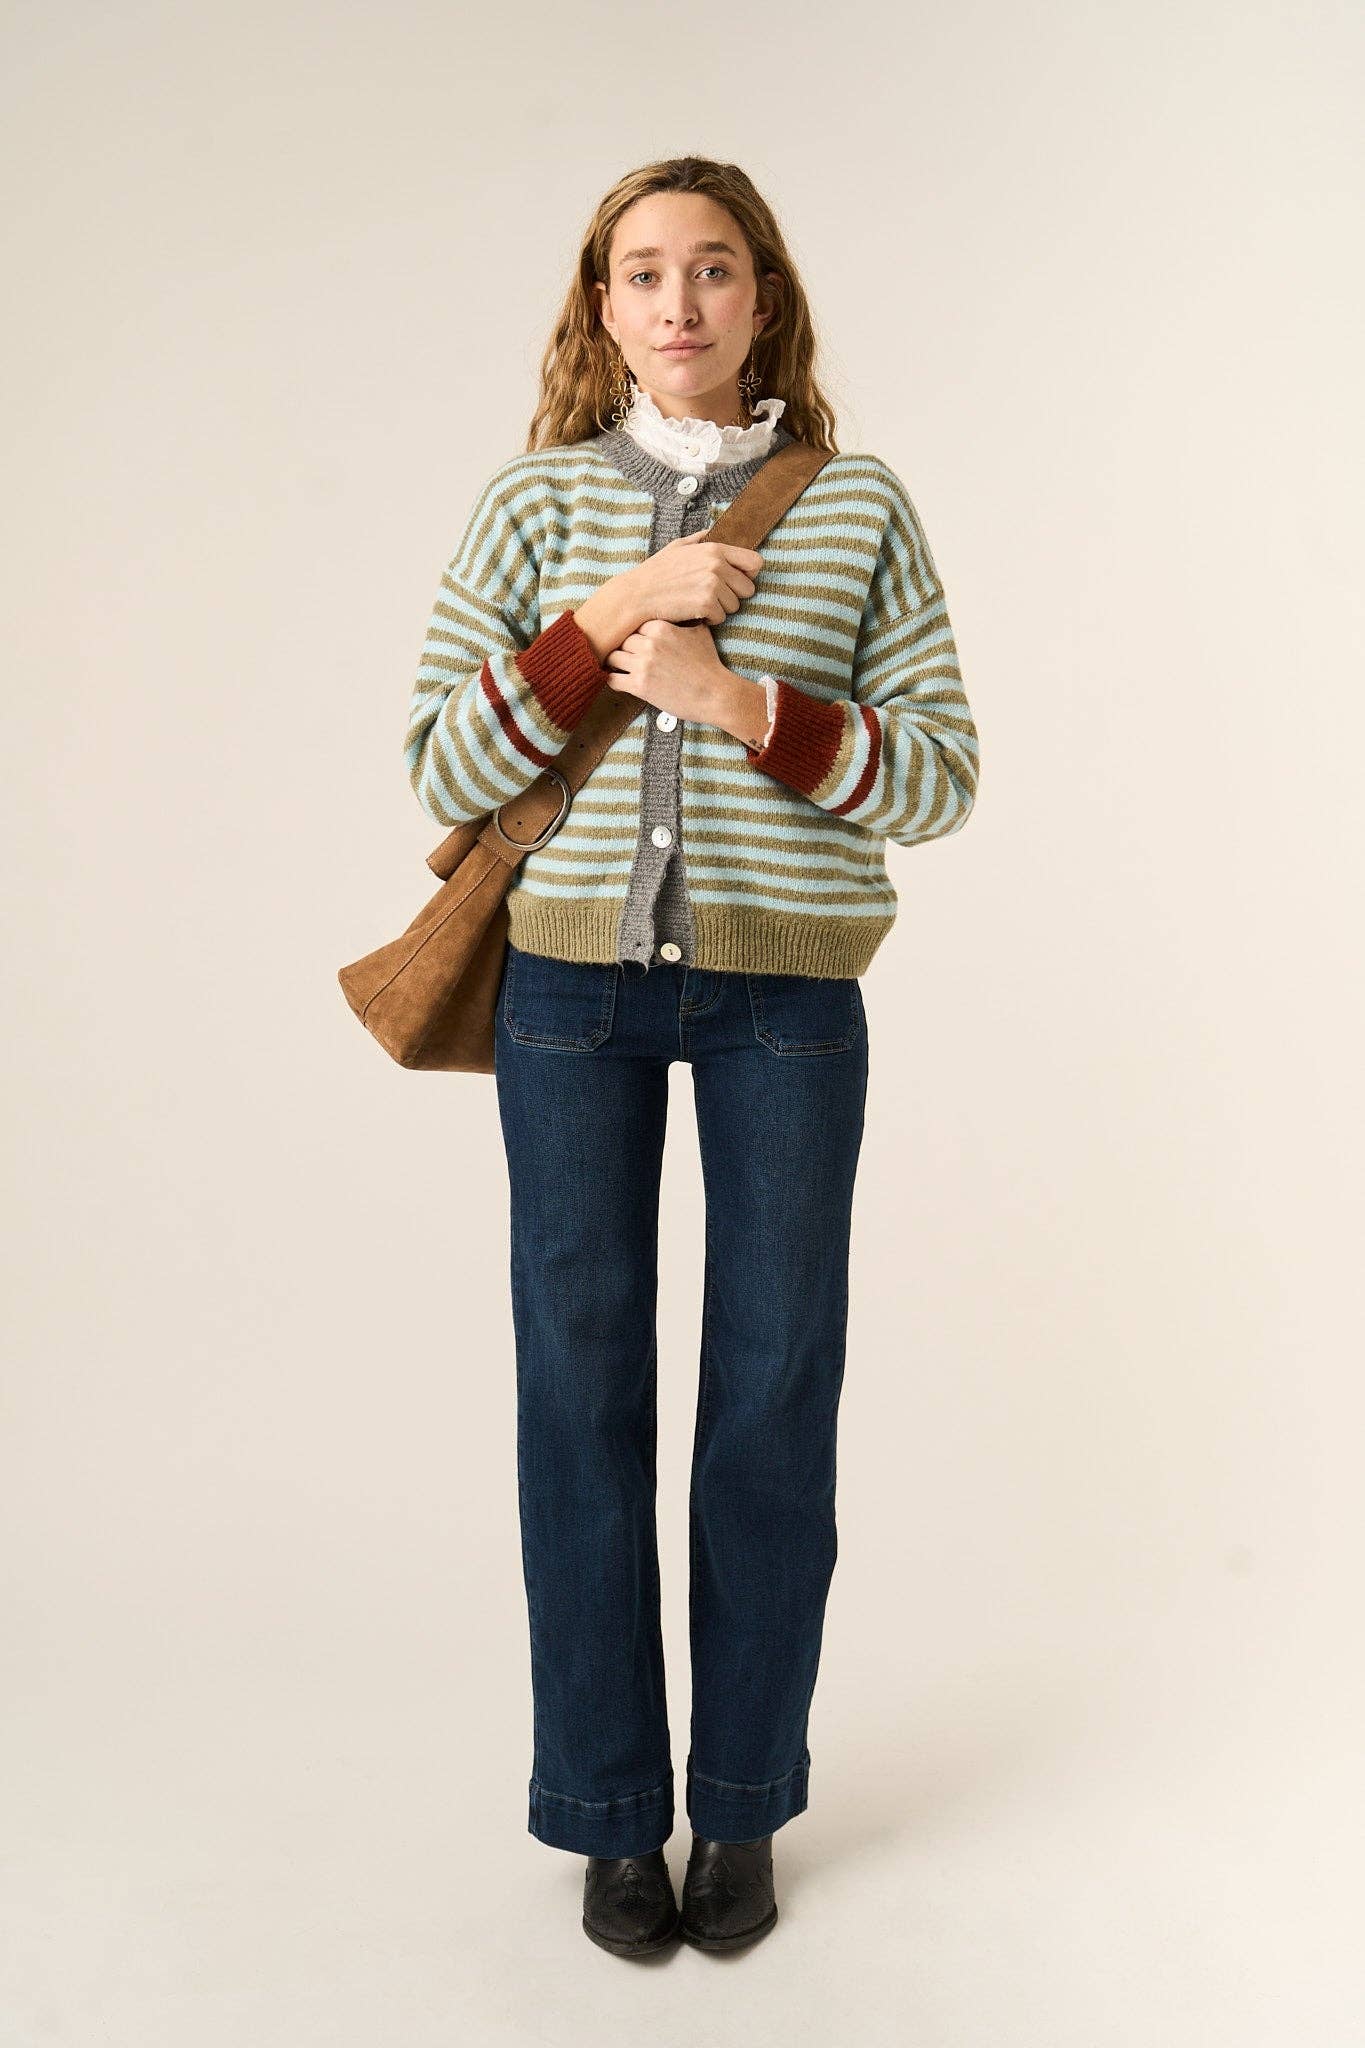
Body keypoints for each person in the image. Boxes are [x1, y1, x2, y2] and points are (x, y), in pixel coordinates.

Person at [404, 155, 980, 1957]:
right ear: (601, 308)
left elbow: (939, 778)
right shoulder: (533, 503)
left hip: (785, 1002)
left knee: (770, 1398)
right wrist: (601, 620)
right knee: (577, 1400)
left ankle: (737, 1806)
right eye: (643, 272)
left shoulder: (858, 503)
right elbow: (439, 763)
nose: (678, 302)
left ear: (761, 299)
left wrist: (736, 700)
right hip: (569, 996)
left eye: (712, 269)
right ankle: (604, 1811)